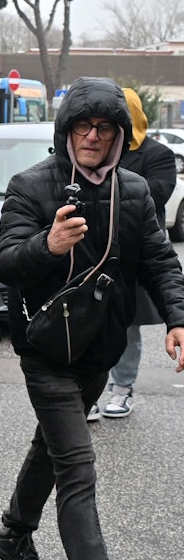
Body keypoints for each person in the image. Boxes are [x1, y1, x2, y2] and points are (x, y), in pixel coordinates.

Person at [0, 76, 184, 560]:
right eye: (84, 126)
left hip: (100, 352)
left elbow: (159, 260)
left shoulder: (133, 190)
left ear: (122, 136)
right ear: (67, 130)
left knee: (52, 450)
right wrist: (47, 246)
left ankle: (13, 534)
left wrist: (178, 318)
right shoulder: (32, 185)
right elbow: (6, 262)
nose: (93, 137)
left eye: (105, 128)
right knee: (77, 467)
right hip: (48, 350)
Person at [87, 88, 176, 420]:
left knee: (127, 325)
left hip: (135, 256)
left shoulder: (159, 155)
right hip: (94, 251)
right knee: (88, 323)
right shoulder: (96, 148)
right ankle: (90, 390)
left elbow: (157, 193)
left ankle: (122, 388)